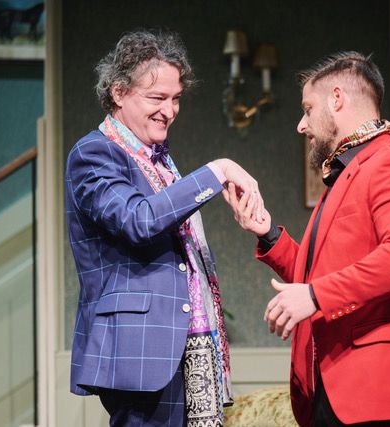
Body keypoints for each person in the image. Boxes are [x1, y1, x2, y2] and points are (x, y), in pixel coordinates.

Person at [225, 51, 390, 426]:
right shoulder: (345, 177)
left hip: (381, 394)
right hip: (333, 388)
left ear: (337, 99)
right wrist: (268, 233)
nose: (301, 125)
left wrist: (314, 296)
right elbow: (319, 276)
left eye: (307, 109)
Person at [65, 29, 264, 426]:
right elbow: (138, 219)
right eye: (157, 98)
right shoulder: (94, 153)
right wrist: (217, 170)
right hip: (140, 347)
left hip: (178, 342)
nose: (169, 110)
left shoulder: (157, 161)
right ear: (119, 92)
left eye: (176, 98)